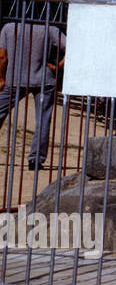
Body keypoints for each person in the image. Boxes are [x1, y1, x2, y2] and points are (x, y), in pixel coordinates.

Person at [0, 16, 67, 171]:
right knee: (43, 119)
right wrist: (58, 66)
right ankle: (35, 160)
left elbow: (2, 57)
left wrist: (1, 78)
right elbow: (72, 47)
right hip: (43, 80)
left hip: (14, 79)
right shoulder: (50, 29)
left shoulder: (10, 27)